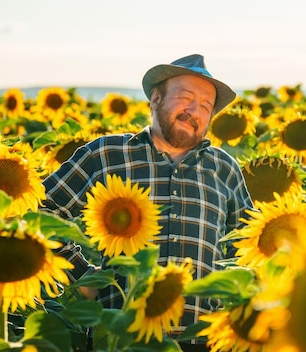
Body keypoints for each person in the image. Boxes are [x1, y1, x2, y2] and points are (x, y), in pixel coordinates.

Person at [41, 54, 255, 352]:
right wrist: (84, 277)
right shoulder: (107, 154)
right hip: (120, 334)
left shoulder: (224, 168)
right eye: (185, 98)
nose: (194, 111)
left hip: (203, 339)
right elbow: (40, 213)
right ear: (155, 99)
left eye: (205, 107)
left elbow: (247, 246)